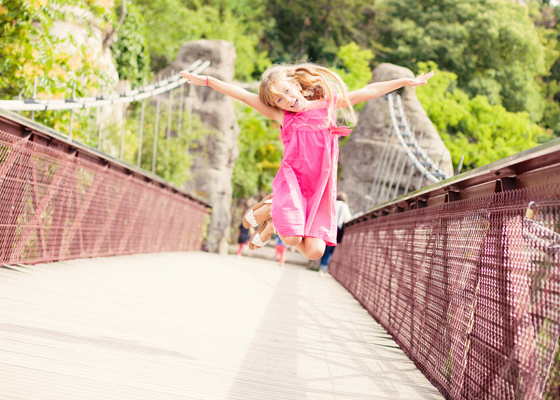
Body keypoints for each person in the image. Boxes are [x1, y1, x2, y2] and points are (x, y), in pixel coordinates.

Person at [180, 63, 433, 260]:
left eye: (288, 92)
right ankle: (274, 214)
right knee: (290, 240)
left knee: (314, 251)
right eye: (279, 99)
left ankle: (272, 212)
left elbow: (368, 91)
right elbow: (246, 97)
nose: (287, 100)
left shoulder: (327, 105)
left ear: (298, 86)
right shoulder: (285, 118)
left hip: (320, 188)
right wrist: (208, 81)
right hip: (294, 183)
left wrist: (403, 82)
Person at [319, 192, 351, 276]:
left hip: (326, 227)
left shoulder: (332, 203)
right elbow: (347, 219)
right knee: (330, 250)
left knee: (324, 248)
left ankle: (321, 268)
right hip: (336, 229)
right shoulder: (344, 206)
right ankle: (323, 269)